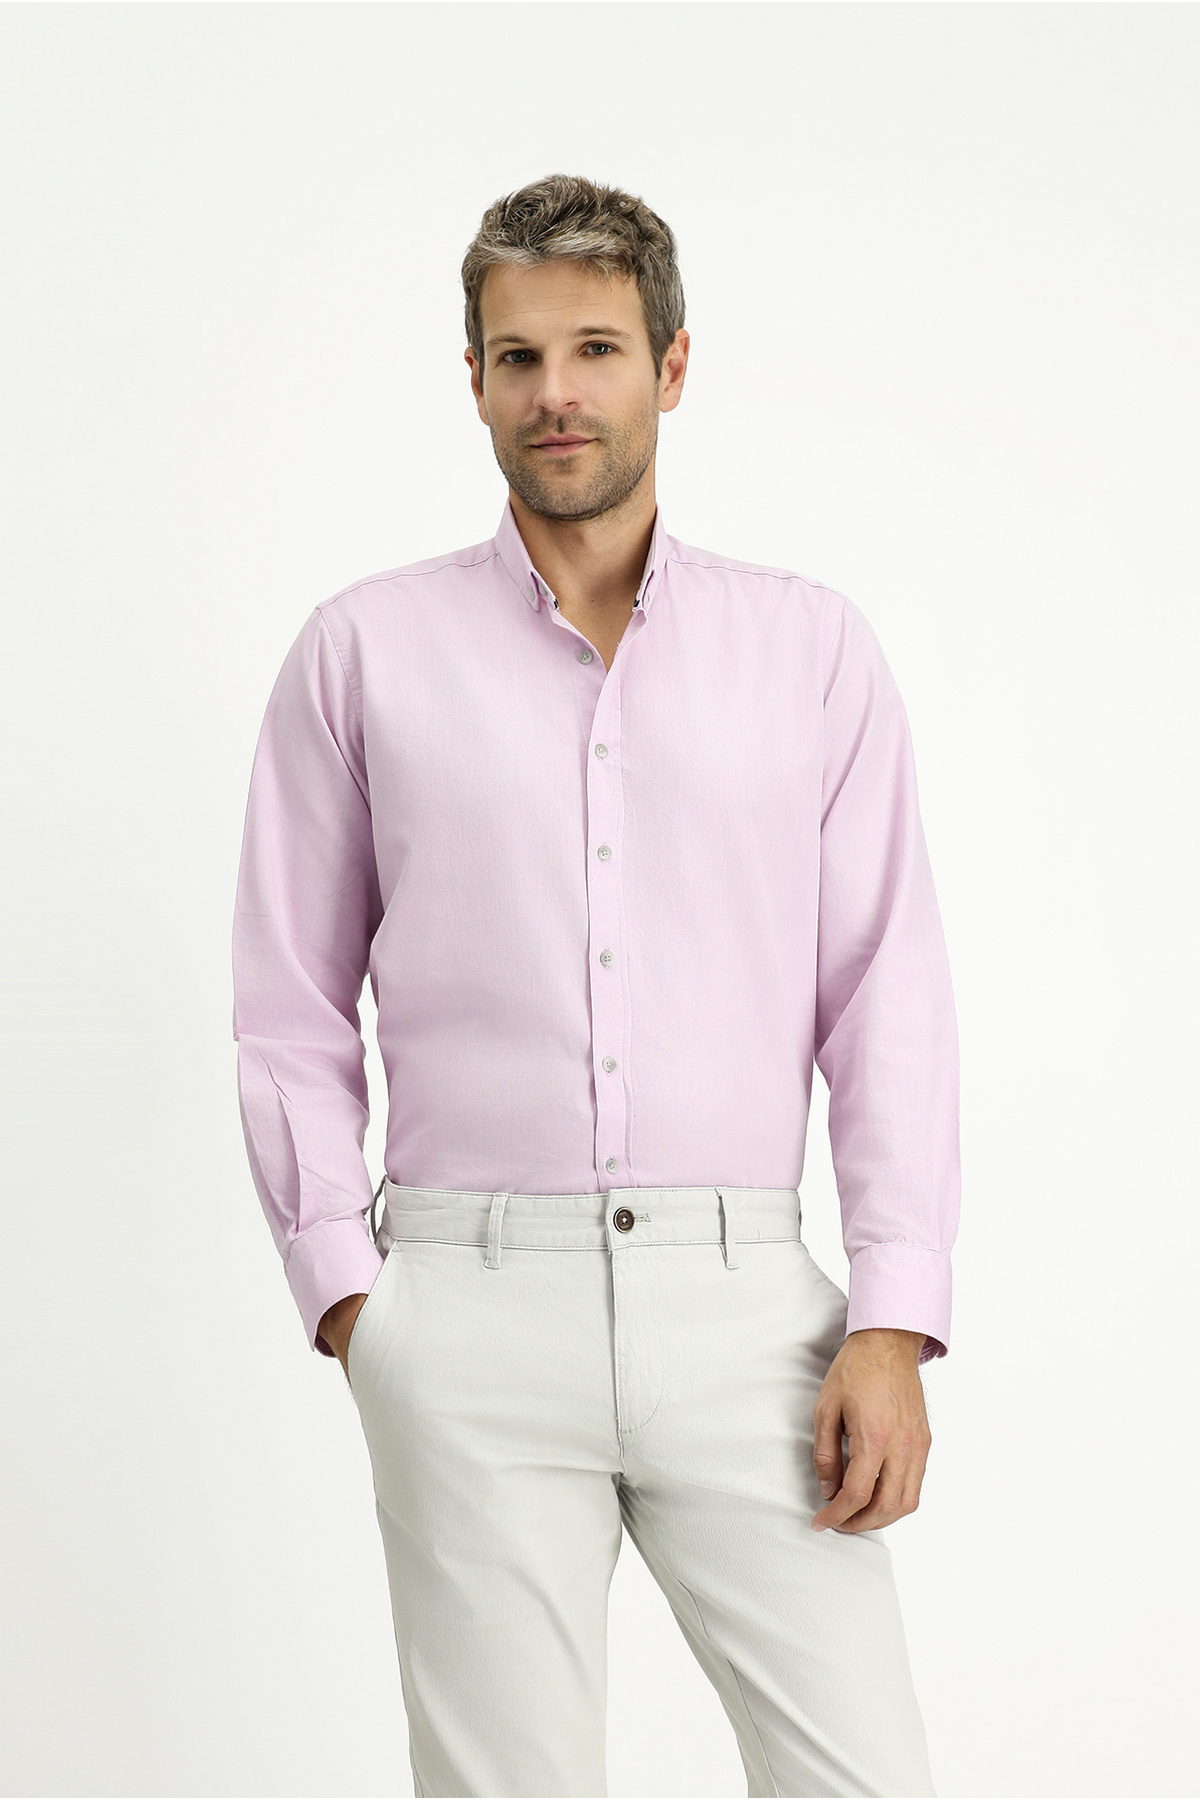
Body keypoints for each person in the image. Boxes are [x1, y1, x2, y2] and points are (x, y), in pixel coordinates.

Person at [231, 172, 960, 1800]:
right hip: (466, 1306)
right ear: (476, 380)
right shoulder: (363, 654)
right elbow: (288, 1000)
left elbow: (885, 992)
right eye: (519, 357)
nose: (556, 392)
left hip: (748, 1311)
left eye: (597, 350)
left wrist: (894, 1320)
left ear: (672, 367)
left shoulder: (812, 653)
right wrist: (355, 1301)